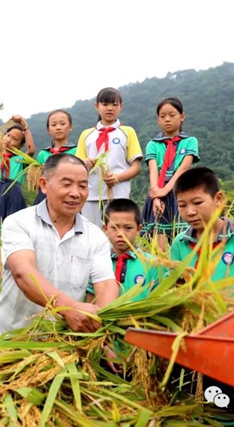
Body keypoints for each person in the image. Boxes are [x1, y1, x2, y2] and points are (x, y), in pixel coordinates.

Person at [169, 167, 234, 427]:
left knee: (228, 409)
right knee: (194, 405)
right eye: (182, 205)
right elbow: (177, 289)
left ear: (218, 199)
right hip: (194, 339)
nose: (190, 212)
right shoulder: (180, 243)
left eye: (198, 202)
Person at [0, 154, 119, 335]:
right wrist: (69, 307)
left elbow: (105, 285)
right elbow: (23, 272)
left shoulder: (96, 237)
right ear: (43, 185)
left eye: (82, 186)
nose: (75, 193)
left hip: (61, 344)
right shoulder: (19, 222)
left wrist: (100, 327)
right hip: (6, 340)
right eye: (66, 184)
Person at [75, 87, 143, 227]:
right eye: (105, 104)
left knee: (117, 231)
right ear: (97, 106)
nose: (109, 108)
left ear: (121, 106)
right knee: (91, 233)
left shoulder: (127, 132)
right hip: (91, 193)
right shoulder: (86, 135)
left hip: (118, 193)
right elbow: (77, 166)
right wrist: (86, 164)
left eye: (114, 104)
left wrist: (117, 178)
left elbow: (136, 167)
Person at [142, 97, 199, 251]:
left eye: (172, 115)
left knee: (184, 235)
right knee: (159, 237)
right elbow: (153, 171)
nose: (167, 119)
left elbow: (183, 169)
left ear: (182, 117)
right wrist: (156, 196)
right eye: (162, 116)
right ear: (158, 120)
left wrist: (166, 190)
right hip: (158, 192)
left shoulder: (190, 141)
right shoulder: (153, 144)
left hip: (181, 190)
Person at [87, 199, 160, 303]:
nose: (121, 234)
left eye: (128, 228)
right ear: (105, 229)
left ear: (138, 229)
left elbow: (159, 302)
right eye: (115, 228)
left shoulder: (153, 264)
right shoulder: (97, 263)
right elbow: (91, 303)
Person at [33, 110, 77, 205]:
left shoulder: (76, 151)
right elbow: (36, 182)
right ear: (48, 130)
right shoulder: (43, 154)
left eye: (62, 124)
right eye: (53, 125)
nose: (58, 128)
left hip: (68, 196)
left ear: (70, 127)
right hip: (44, 197)